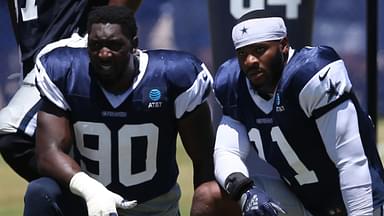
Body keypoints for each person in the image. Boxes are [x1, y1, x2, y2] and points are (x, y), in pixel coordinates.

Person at [23, 5, 238, 216]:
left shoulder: (174, 76)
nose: (104, 54)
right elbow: (47, 153)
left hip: (153, 209)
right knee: (41, 191)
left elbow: (203, 160)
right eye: (96, 45)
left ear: (134, 44)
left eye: (114, 45)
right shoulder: (66, 72)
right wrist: (91, 190)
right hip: (89, 205)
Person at [213, 10, 384, 216]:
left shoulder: (310, 73)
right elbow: (227, 151)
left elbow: (351, 161)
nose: (250, 61)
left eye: (259, 49)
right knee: (211, 197)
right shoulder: (234, 84)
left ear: (283, 46)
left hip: (360, 203)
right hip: (304, 203)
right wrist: (245, 191)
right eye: (242, 53)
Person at [0, 0, 142, 181]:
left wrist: (99, 39)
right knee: (53, 169)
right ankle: (92, 198)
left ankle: (88, 197)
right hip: (36, 59)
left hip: (71, 51)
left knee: (12, 132)